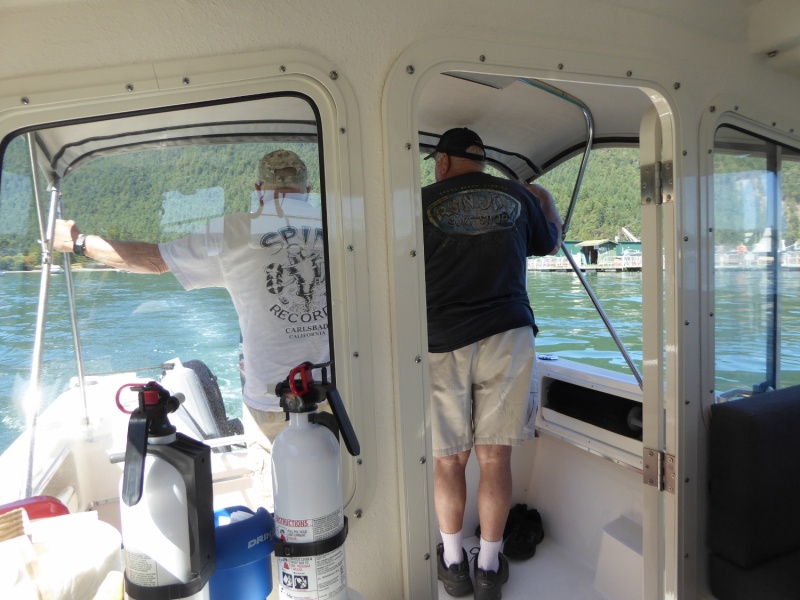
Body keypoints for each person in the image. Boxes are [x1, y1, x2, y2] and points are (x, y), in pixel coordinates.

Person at [53, 149, 329, 505]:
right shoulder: (337, 225)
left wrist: (77, 243)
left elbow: (154, 260)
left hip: (271, 399)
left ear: (259, 188)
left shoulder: (234, 230)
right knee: (334, 491)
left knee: (279, 506)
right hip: (334, 392)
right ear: (307, 190)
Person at [422, 128, 562, 599]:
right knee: (495, 457)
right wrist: (543, 197)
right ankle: (488, 568)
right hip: (509, 333)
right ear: (480, 162)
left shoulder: (420, 202)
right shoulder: (518, 197)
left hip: (442, 341)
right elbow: (549, 243)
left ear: (442, 161)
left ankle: (454, 565)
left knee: (449, 462)